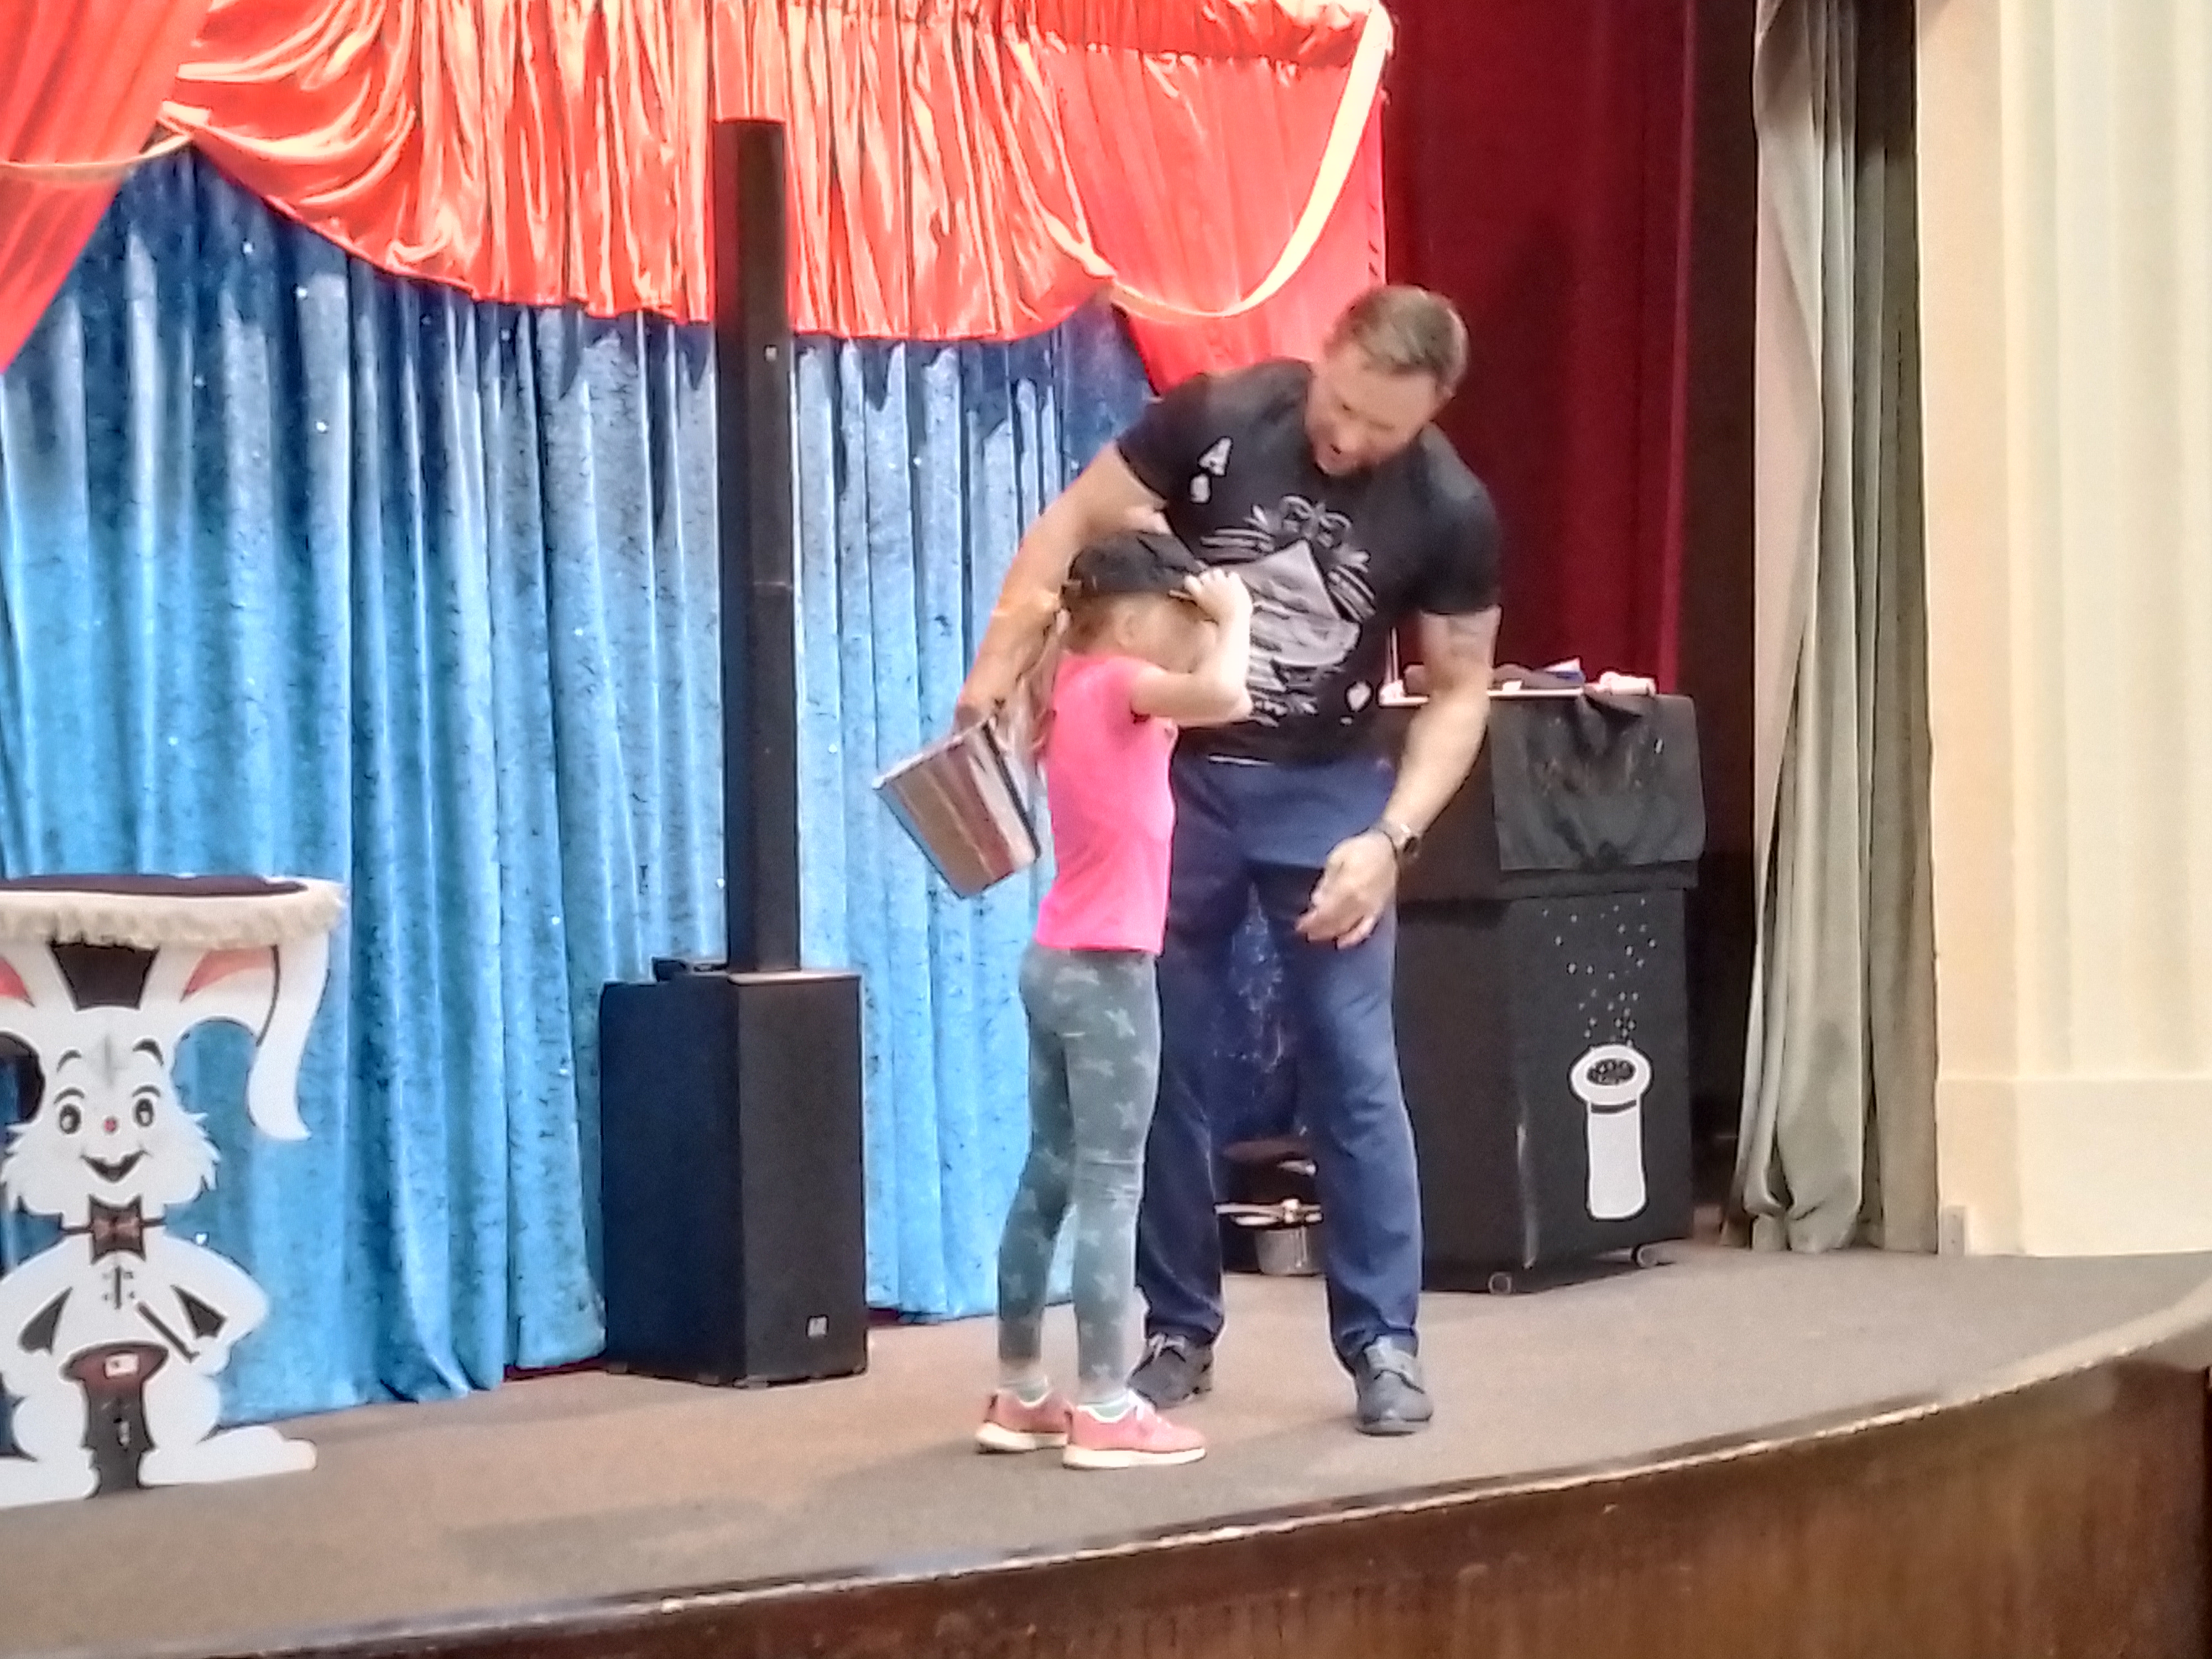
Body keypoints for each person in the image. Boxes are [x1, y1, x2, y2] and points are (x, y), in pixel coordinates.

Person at [958, 286, 1503, 1437]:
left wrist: (1391, 840)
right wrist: (997, 670)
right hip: (1177, 786)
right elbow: (1070, 527)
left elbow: (1460, 691)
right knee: (1154, 1058)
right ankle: (1176, 1330)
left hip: (1328, 793)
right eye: (1342, 405)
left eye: (1384, 428)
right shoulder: (1217, 415)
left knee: (1354, 1066)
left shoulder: (1449, 509)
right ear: (1327, 353)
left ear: (1430, 416)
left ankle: (1384, 1342)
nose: (1348, 438)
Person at [975, 530, 1254, 1470]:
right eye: (1180, 622)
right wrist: (1235, 617)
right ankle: (1103, 1404)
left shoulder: (1070, 688)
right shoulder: (1124, 684)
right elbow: (1230, 695)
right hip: (1107, 974)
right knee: (1110, 1186)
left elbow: (1179, 720)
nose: (1191, 639)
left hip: (1052, 960)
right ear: (1134, 622)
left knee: (1050, 1173)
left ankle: (1020, 1391)